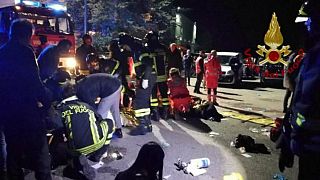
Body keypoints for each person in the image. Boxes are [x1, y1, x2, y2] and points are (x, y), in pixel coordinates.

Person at [0, 19, 52, 180]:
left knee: (13, 151)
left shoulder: (2, 51)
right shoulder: (25, 52)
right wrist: (46, 101)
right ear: (28, 35)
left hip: (7, 111)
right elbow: (33, 82)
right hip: (27, 110)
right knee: (41, 152)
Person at [277, 1, 320, 179]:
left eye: (310, 19)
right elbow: (299, 103)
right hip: (307, 148)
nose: (306, 24)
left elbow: (306, 104)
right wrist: (287, 140)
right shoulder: (310, 56)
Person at [58, 83, 114, 179]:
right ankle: (99, 154)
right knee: (109, 122)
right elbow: (99, 119)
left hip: (77, 149)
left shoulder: (61, 109)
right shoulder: (86, 105)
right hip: (98, 142)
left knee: (62, 137)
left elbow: (56, 126)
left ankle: (76, 159)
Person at [118, 33, 156, 135]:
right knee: (144, 102)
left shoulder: (138, 51)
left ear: (127, 44)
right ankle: (148, 125)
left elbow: (148, 64)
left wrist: (145, 79)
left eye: (124, 46)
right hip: (149, 76)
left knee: (138, 102)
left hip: (147, 77)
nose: (124, 49)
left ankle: (141, 126)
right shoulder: (138, 49)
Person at [76, 73, 123, 138]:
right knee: (115, 109)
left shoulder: (84, 91)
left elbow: (91, 107)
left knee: (100, 113)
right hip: (116, 84)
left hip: (110, 89)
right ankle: (118, 129)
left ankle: (100, 133)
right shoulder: (84, 83)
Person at [146, 31, 170, 121]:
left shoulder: (148, 48)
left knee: (153, 95)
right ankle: (165, 112)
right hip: (162, 75)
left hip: (153, 75)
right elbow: (167, 60)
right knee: (164, 94)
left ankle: (155, 113)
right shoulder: (163, 47)